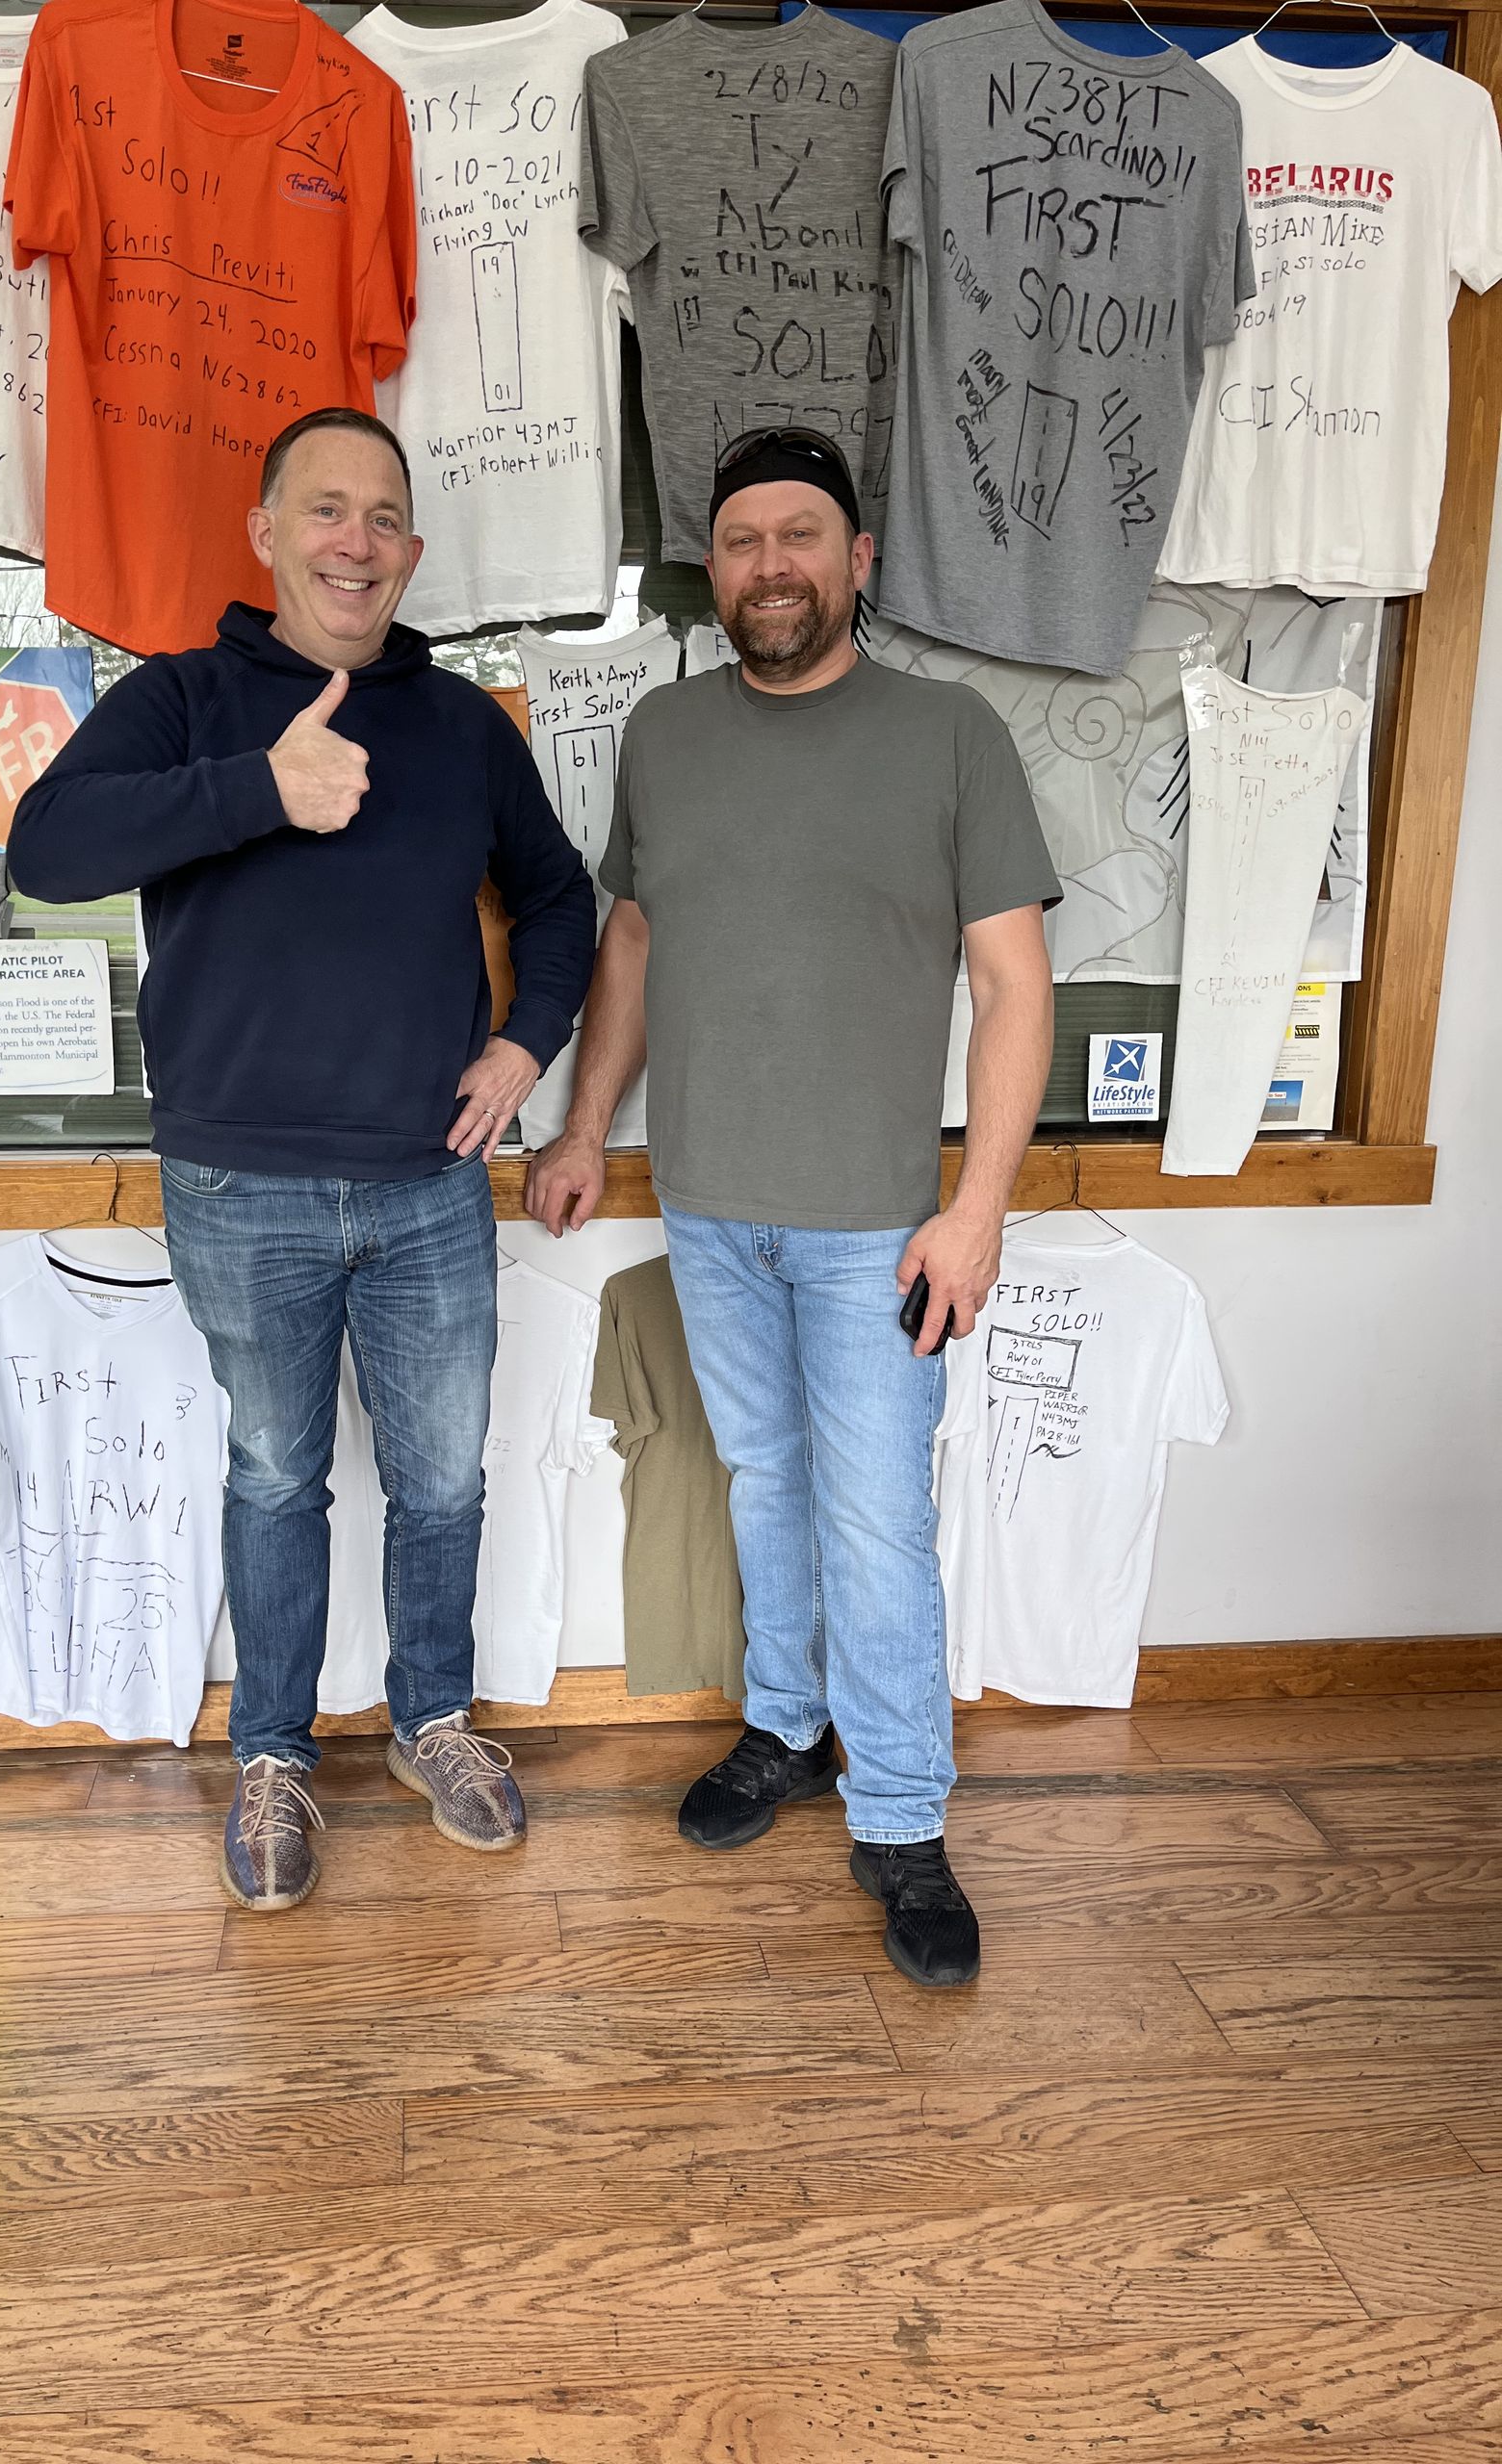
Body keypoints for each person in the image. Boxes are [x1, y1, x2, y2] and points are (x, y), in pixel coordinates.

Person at [9, 406, 597, 1913]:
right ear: (267, 532)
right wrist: (260, 788)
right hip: (238, 1184)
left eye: (383, 517)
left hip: (425, 1181)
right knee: (275, 1477)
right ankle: (271, 1752)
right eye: (326, 509)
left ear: (409, 550)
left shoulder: (464, 727)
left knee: (443, 1484)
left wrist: (524, 1045)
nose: (356, 540)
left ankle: (434, 1723)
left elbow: (558, 903)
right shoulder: (186, 701)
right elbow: (48, 851)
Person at [526, 427, 1060, 1989]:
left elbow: (1016, 985)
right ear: (720, 567)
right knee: (761, 1477)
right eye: (745, 538)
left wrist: (981, 1212)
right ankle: (788, 1730)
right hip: (709, 1207)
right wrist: (582, 1128)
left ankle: (901, 1818)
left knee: (880, 1521)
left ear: (857, 562)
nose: (771, 563)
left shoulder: (949, 737)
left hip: (878, 1227)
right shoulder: (667, 737)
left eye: (802, 535)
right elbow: (630, 945)